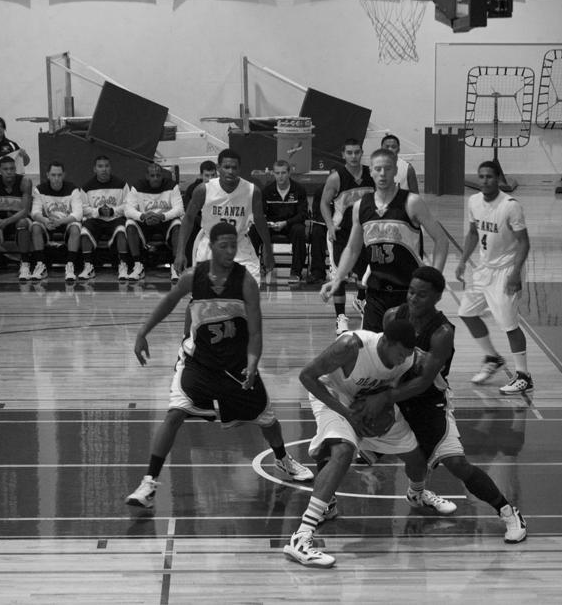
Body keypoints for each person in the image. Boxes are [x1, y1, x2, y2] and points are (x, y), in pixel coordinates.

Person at [125, 221, 313, 509]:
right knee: (175, 413)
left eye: (233, 246)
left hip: (235, 363)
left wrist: (252, 364)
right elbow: (168, 302)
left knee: (266, 418)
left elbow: (256, 331)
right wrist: (141, 332)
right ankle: (149, 483)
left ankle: (283, 460)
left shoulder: (245, 282)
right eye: (223, 246)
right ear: (211, 247)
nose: (229, 251)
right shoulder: (193, 277)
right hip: (198, 362)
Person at [359, 266, 527, 544]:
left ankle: (508, 511)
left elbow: (424, 382)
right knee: (347, 449)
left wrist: (384, 398)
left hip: (428, 403)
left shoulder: (442, 332)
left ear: (437, 297)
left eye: (422, 295)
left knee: (457, 464)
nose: (413, 298)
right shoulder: (393, 316)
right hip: (397, 401)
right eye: (411, 292)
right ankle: (415, 492)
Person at [283, 319, 456, 569]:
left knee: (416, 460)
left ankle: (416, 495)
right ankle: (301, 537)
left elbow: (426, 375)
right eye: (400, 353)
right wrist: (346, 412)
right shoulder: (351, 346)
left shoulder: (408, 357)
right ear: (386, 341)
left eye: (408, 354)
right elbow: (306, 376)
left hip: (367, 406)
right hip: (334, 397)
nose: (403, 359)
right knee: (342, 452)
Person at [321, 148, 448, 332]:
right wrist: (338, 278)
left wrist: (434, 280)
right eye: (378, 169)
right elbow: (353, 249)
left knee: (406, 354)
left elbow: (441, 240)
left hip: (408, 293)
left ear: (395, 170)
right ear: (370, 171)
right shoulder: (361, 206)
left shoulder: (411, 202)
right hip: (376, 293)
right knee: (373, 354)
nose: (382, 174)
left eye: (387, 168)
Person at [455, 161, 533, 395]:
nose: (485, 180)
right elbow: (472, 233)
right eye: (481, 176)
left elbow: (524, 243)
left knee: (509, 325)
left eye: (489, 176)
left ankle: (524, 376)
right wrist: (461, 260)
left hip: (506, 271)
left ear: (498, 178)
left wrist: (515, 273)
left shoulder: (510, 206)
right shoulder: (473, 202)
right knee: (466, 313)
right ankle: (493, 357)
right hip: (484, 269)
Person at [175, 149, 274, 283]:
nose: (230, 171)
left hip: (239, 244)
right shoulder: (203, 190)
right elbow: (188, 219)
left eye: (234, 168)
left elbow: (260, 221)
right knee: (204, 297)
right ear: (218, 168)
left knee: (251, 291)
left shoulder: (252, 191)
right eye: (226, 167)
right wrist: (180, 252)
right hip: (210, 245)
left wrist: (268, 249)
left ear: (239, 169)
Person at [320, 138, 374, 334]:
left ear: (361, 153)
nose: (353, 156)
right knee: (340, 276)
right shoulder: (336, 177)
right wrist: (329, 226)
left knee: (366, 274)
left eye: (357, 152)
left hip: (366, 233)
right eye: (349, 152)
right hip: (341, 233)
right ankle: (340, 317)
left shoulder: (372, 174)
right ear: (343, 155)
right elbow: (324, 203)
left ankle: (361, 299)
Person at [125, 163, 184, 281]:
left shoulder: (172, 186)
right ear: (147, 176)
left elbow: (179, 209)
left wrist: (162, 216)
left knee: (178, 224)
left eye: (158, 175)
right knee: (129, 224)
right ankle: (137, 265)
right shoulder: (137, 186)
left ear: (162, 175)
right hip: (146, 221)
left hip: (165, 220)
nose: (156, 178)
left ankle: (175, 266)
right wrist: (142, 216)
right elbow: (128, 210)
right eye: (152, 175)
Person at [0, 155, 32, 281]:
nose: (9, 172)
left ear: (16, 169)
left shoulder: (25, 182)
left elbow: (25, 211)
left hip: (17, 220)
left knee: (23, 222)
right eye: (6, 169)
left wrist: (6, 222)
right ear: (0, 170)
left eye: (12, 168)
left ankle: (25, 263)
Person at [30, 162, 83, 282]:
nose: (56, 178)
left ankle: (70, 266)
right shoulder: (39, 189)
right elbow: (34, 212)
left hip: (66, 222)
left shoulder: (73, 189)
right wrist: (44, 220)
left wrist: (60, 221)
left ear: (64, 175)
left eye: (59, 175)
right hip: (48, 222)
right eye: (53, 175)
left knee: (76, 227)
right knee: (35, 226)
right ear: (47, 175)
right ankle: (40, 265)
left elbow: (78, 214)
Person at [79, 155, 129, 281]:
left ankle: (123, 265)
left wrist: (113, 210)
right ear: (94, 169)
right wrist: (98, 211)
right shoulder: (86, 187)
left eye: (106, 166)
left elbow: (129, 206)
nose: (104, 169)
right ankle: (88, 266)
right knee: (84, 231)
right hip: (96, 220)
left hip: (115, 219)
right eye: (100, 166)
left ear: (110, 168)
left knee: (122, 230)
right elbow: (83, 209)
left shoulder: (122, 185)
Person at [262, 159, 308, 283]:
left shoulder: (299, 190)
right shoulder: (267, 191)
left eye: (283, 173)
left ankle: (296, 272)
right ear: (273, 174)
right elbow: (261, 213)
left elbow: (303, 214)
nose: (280, 176)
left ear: (289, 173)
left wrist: (286, 223)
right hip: (272, 225)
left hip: (291, 225)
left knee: (299, 230)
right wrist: (269, 223)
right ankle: (255, 267)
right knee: (255, 231)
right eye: (277, 173)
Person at [182, 159, 217, 266]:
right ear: (201, 175)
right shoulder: (193, 189)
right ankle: (188, 265)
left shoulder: (222, 187)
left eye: (213, 175)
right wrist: (202, 222)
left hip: (217, 222)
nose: (210, 179)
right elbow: (188, 212)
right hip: (198, 223)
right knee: (189, 229)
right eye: (207, 175)